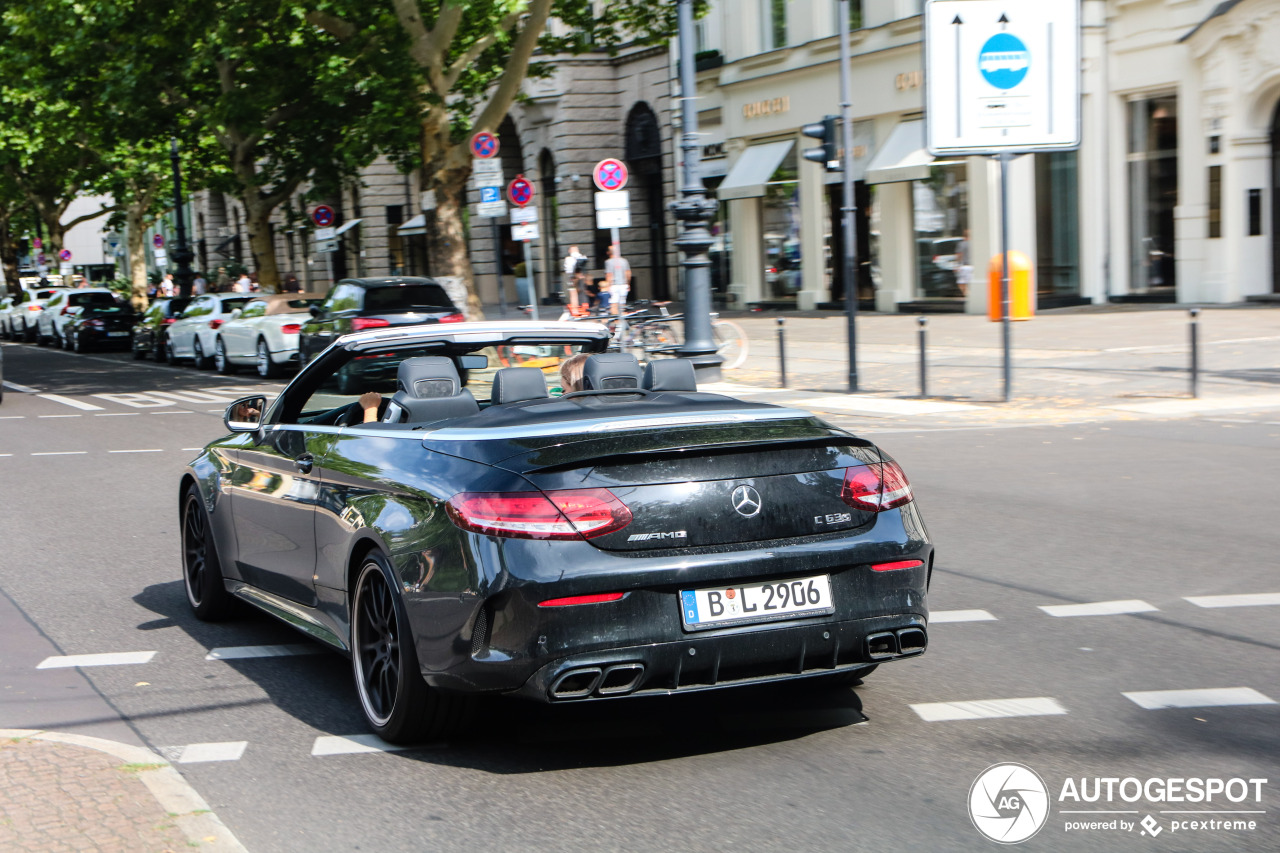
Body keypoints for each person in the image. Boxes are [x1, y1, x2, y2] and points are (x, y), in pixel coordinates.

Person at [604, 244, 631, 315]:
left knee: (614, 304)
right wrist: (628, 284)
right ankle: (623, 320)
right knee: (622, 304)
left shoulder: (608, 262)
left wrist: (608, 285)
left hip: (614, 285)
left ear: (608, 252)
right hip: (623, 285)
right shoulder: (624, 261)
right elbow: (628, 273)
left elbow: (609, 275)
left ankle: (616, 321)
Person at [562, 245, 587, 311]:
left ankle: (575, 308)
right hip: (580, 274)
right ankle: (581, 307)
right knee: (580, 290)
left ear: (569, 251)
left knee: (572, 292)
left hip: (571, 275)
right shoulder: (582, 257)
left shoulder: (568, 258)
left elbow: (568, 268)